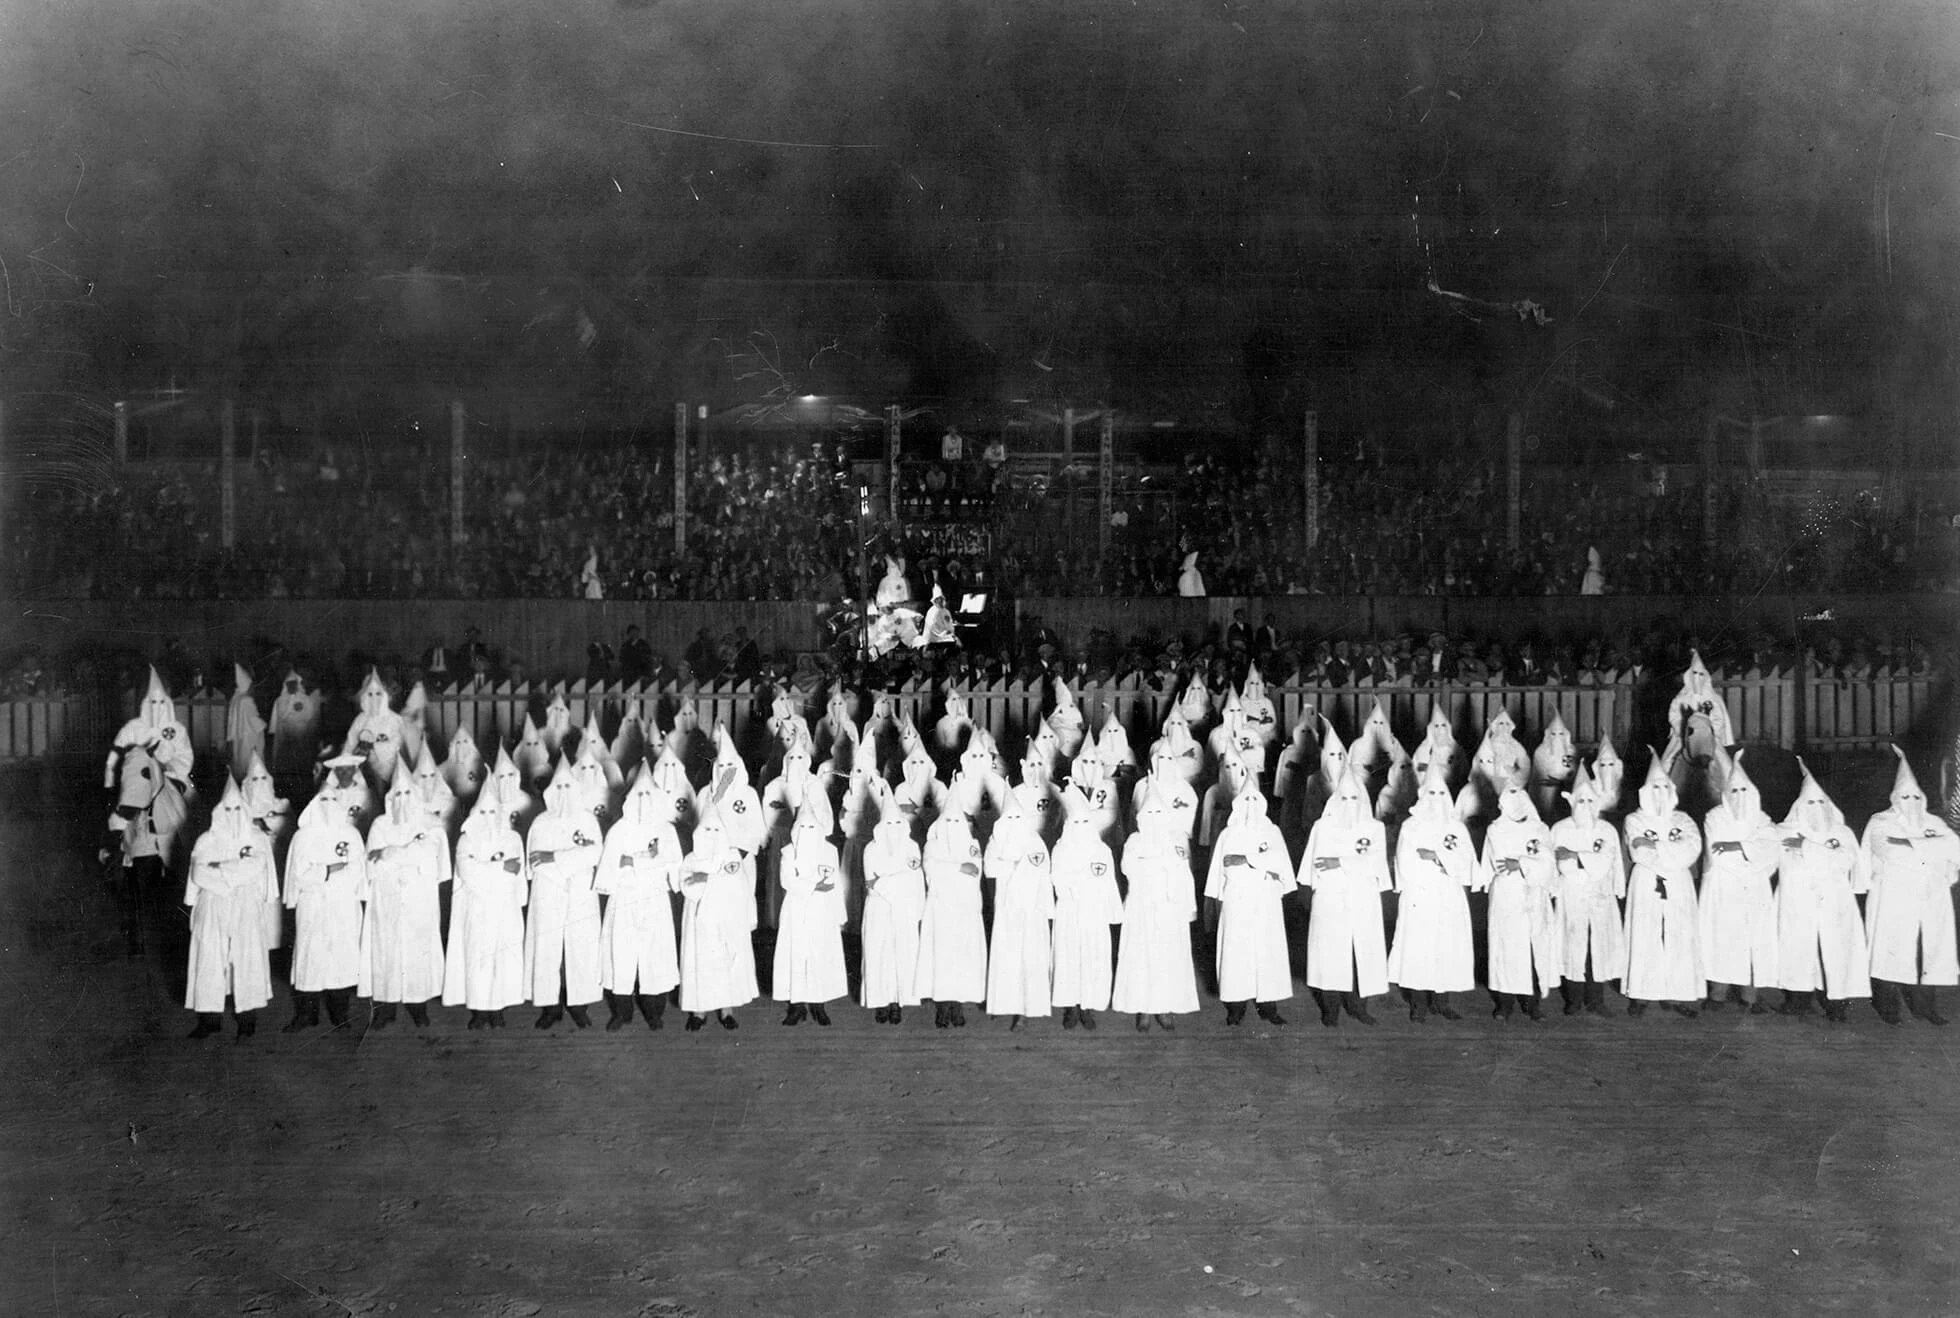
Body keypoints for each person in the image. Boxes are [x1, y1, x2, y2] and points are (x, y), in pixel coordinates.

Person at [1862, 747, 1960, 1026]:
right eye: (1905, 797)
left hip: (1930, 896)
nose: (1911, 801)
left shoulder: (1934, 821)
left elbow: (1956, 847)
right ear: (1895, 798)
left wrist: (1911, 844)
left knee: (1926, 951)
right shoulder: (1880, 821)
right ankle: (1887, 1005)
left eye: (1916, 797)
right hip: (1894, 898)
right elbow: (1890, 853)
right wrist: (1932, 849)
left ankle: (1925, 1007)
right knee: (1890, 949)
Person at [1773, 759, 1870, 1022]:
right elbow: (1775, 858)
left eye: (1820, 803)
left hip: (1834, 899)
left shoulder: (1842, 832)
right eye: (1809, 803)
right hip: (1797, 898)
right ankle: (1798, 999)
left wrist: (1807, 847)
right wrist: (1822, 853)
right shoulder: (1783, 830)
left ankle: (1836, 1002)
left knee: (1835, 947)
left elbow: (1845, 861)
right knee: (1797, 946)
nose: (1815, 809)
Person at [184, 779, 281, 1039]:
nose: (233, 816)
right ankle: (209, 1019)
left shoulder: (257, 838)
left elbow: (260, 868)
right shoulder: (206, 839)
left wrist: (220, 870)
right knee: (209, 959)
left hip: (246, 905)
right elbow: (198, 874)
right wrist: (234, 873)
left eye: (238, 809)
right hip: (212, 904)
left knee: (246, 958)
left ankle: (247, 1021)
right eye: (227, 810)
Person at [1387, 762, 1478, 1022]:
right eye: (1431, 794)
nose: (1436, 800)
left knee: (1446, 947)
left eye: (1441, 794)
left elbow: (1467, 861)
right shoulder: (1411, 827)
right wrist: (1440, 863)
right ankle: (1418, 1004)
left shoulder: (1456, 827)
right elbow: (1405, 862)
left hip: (1449, 896)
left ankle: (1442, 1001)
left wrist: (1437, 856)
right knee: (1419, 949)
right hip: (1420, 895)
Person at [362, 764, 451, 1029]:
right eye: (396, 795)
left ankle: (418, 1005)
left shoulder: (432, 824)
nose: (403, 801)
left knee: (417, 950)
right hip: (387, 896)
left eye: (407, 794)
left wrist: (390, 853)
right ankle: (385, 1008)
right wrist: (408, 852)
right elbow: (371, 863)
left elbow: (429, 858)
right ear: (390, 798)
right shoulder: (380, 824)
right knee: (386, 950)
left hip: (418, 897)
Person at [593, 766, 683, 1031]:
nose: (644, 802)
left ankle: (654, 1011)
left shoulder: (666, 829)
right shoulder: (619, 828)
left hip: (654, 898)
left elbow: (671, 861)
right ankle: (622, 1011)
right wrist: (648, 859)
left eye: (649, 796)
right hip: (624, 898)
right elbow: (610, 862)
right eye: (638, 796)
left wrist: (633, 860)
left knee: (655, 954)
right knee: (621, 953)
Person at [1302, 766, 1390, 1026]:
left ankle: (1358, 1006)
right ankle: (1330, 1009)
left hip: (1363, 898)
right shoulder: (1322, 827)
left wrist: (1340, 862)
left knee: (1360, 952)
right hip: (1331, 898)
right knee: (1330, 953)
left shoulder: (1374, 828)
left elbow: (1375, 862)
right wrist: (1349, 864)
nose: (1350, 804)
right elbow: (1316, 864)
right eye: (1344, 799)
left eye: (1355, 798)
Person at [281, 775, 369, 1033]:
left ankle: (340, 1015)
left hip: (343, 905)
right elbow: (299, 875)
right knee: (311, 956)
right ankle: (307, 1015)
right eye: (324, 800)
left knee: (340, 958)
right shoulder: (303, 836)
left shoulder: (351, 833)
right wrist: (329, 871)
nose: (329, 804)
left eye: (334, 799)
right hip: (313, 906)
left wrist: (324, 876)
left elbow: (357, 869)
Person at [524, 758, 606, 1029]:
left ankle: (579, 1004)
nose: (563, 794)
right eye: (558, 788)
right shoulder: (541, 822)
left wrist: (556, 858)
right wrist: (569, 864)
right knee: (548, 949)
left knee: (580, 947)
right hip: (548, 892)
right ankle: (551, 1007)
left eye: (568, 787)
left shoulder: (588, 819)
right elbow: (536, 860)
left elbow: (595, 853)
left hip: (581, 892)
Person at [1698, 750, 1782, 1013]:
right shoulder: (1715, 817)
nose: (1739, 797)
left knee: (1752, 940)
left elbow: (1772, 848)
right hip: (1723, 888)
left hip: (1754, 890)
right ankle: (1718, 993)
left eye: (1744, 791)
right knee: (1723, 938)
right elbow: (1718, 854)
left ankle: (1750, 996)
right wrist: (1749, 854)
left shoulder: (1762, 818)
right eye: (1734, 791)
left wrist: (1739, 845)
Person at [1112, 781, 1201, 1031]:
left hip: (1168, 905)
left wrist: (1186, 907)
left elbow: (1183, 872)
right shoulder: (1134, 840)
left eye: (1158, 812)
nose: (1153, 817)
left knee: (1166, 957)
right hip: (1141, 904)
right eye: (1148, 812)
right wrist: (1158, 864)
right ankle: (1143, 1009)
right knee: (1141, 957)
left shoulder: (1176, 840)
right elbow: (1128, 868)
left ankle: (1163, 1007)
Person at [1621, 755, 1705, 1017]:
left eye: (1665, 788)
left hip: (1679, 883)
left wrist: (1657, 846)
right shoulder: (1634, 820)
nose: (1660, 794)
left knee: (1679, 934)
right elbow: (1638, 853)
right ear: (1645, 791)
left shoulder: (1683, 820)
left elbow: (1692, 850)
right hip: (1646, 882)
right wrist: (1671, 853)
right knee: (1645, 935)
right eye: (1655, 788)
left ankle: (1678, 993)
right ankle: (1642, 994)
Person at [1206, 780, 1295, 1026]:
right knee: (1237, 952)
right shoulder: (1228, 833)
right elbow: (1221, 867)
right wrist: (1261, 863)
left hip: (1266, 899)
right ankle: (1236, 1007)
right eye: (1245, 800)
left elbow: (1279, 862)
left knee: (1267, 951)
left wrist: (1245, 859)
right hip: (1238, 899)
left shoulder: (1272, 831)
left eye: (1255, 800)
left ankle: (1269, 1006)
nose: (1250, 806)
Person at [443, 780, 529, 1029]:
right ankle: (479, 1011)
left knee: (501, 958)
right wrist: (500, 868)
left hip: (504, 907)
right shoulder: (466, 839)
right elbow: (468, 872)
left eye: (493, 812)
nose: (489, 818)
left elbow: (516, 871)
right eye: (483, 812)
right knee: (477, 958)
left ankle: (498, 1009)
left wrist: (490, 869)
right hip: (476, 908)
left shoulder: (512, 838)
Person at [1048, 786, 1124, 1031]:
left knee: (1093, 958)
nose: (1080, 826)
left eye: (1085, 821)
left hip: (1095, 913)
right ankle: (1070, 1006)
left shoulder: (1102, 850)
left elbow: (1109, 881)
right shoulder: (1061, 849)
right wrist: (1078, 887)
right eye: (1075, 821)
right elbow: (1058, 879)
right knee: (1069, 958)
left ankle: (1087, 1006)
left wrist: (1113, 913)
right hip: (1069, 910)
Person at [1482, 782, 1561, 1020]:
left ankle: (1533, 1004)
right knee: (1506, 950)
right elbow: (1501, 862)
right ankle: (1504, 1005)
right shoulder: (1496, 829)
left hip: (1535, 896)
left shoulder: (1540, 829)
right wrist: (1528, 863)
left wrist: (1522, 864)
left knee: (1533, 949)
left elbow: (1548, 863)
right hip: (1507, 896)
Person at [677, 805, 759, 1031]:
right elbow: (687, 887)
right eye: (707, 830)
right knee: (700, 963)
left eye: (716, 830)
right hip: (699, 923)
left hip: (726, 919)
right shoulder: (692, 858)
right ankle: (699, 1011)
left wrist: (706, 879)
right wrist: (714, 880)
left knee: (725, 963)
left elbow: (737, 885)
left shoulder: (732, 856)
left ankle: (726, 1010)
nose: (712, 835)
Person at [774, 793, 848, 1026]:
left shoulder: (829, 851)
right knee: (796, 955)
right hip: (796, 909)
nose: (807, 831)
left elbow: (836, 882)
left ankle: (819, 1004)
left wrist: (839, 913)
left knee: (820, 954)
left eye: (811, 827)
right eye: (802, 827)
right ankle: (796, 1006)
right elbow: (787, 880)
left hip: (822, 911)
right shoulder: (787, 852)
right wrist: (813, 885)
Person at [984, 796, 1054, 1030]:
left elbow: (1040, 868)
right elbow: (990, 869)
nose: (1013, 822)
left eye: (1017, 817)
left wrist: (1011, 865)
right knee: (1007, 957)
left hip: (1031, 909)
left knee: (1029, 958)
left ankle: (1025, 1010)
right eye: (1009, 817)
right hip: (1006, 909)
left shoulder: (1035, 841)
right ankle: (1003, 1004)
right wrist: (1013, 864)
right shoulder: (995, 840)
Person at [917, 799, 987, 1028]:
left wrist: (947, 870)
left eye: (957, 821)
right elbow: (930, 869)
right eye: (948, 820)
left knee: (961, 958)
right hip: (940, 911)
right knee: (941, 958)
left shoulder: (972, 844)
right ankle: (943, 1007)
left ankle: (957, 1006)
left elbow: (974, 873)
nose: (952, 825)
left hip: (964, 909)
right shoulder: (932, 845)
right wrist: (957, 867)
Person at [860, 783, 926, 1025]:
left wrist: (885, 880)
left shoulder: (911, 847)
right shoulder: (871, 848)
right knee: (879, 955)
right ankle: (881, 1001)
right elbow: (870, 882)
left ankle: (897, 1001)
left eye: (898, 823)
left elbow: (915, 878)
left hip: (904, 910)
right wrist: (895, 880)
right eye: (888, 824)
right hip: (878, 910)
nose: (893, 828)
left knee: (901, 956)